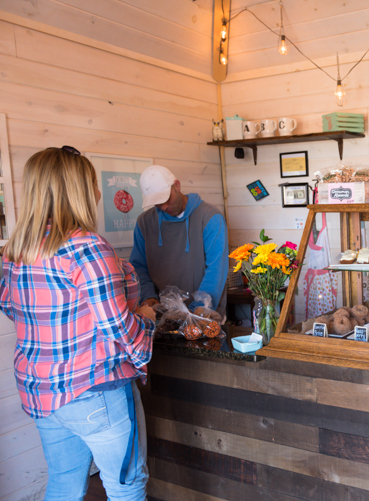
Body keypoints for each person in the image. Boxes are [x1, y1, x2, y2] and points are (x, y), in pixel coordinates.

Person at [0, 146, 157, 500]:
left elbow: (13, 308)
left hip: (42, 391)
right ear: (78, 190)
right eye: (91, 184)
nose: (98, 193)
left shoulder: (15, 250)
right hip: (95, 390)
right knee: (126, 484)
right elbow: (119, 327)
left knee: (64, 485)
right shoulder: (86, 247)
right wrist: (147, 323)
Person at [129, 165, 229, 317]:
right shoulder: (144, 222)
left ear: (176, 186)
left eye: (166, 199)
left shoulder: (210, 217)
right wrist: (149, 297)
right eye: (157, 203)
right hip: (161, 315)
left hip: (203, 315)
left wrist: (197, 309)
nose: (163, 207)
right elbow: (138, 266)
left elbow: (216, 269)